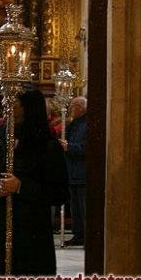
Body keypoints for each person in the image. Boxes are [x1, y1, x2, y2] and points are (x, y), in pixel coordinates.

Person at [0, 85, 69, 280]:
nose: (6, 105)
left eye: (13, 102)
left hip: (32, 235)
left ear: (28, 107)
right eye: (6, 101)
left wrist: (21, 187)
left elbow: (59, 193)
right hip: (0, 230)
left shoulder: (47, 145)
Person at [59, 96, 87, 247]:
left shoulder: (87, 124)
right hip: (72, 172)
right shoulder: (74, 123)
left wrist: (69, 147)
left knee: (83, 207)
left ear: (80, 108)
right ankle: (78, 234)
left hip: (82, 173)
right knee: (75, 207)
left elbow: (86, 146)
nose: (70, 110)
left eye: (73, 107)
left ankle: (86, 234)